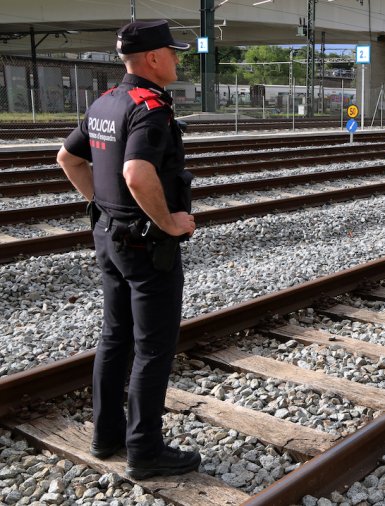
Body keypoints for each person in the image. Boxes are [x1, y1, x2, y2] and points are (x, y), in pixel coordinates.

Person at [56, 20, 200, 480]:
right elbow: (138, 173)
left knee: (114, 337)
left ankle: (106, 435)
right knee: (153, 348)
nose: (178, 60)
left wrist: (102, 204)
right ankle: (145, 450)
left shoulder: (104, 102)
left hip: (108, 236)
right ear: (154, 57)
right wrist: (169, 221)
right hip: (145, 244)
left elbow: (69, 157)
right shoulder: (149, 108)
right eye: (173, 53)